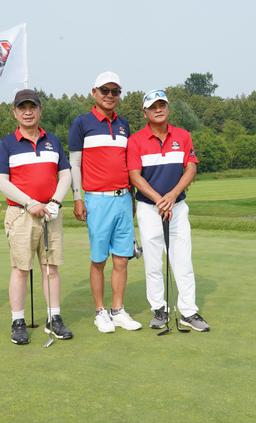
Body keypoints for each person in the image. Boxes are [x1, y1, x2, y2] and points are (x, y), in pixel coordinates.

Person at [0, 89, 73, 345]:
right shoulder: (7, 143)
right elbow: (1, 181)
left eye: (32, 107)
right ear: (14, 112)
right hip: (21, 214)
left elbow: (65, 174)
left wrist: (56, 202)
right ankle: (18, 321)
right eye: (22, 108)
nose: (27, 112)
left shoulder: (53, 141)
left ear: (40, 110)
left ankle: (54, 317)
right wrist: (29, 203)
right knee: (20, 269)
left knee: (51, 268)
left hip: (51, 213)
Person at [127, 89, 210, 332]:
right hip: (149, 209)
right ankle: (159, 310)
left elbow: (191, 168)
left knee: (183, 260)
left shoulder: (183, 136)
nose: (158, 110)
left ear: (168, 108)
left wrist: (172, 196)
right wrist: (158, 199)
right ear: (145, 113)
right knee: (153, 263)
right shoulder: (136, 141)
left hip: (178, 207)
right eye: (153, 107)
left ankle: (188, 311)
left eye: (162, 105)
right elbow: (134, 176)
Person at [68, 72, 142, 333]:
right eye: (105, 91)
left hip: (123, 199)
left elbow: (127, 163)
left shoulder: (124, 125)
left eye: (115, 91)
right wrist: (77, 197)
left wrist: (132, 197)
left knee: (122, 259)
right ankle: (100, 311)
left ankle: (118, 310)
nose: (110, 96)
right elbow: (75, 163)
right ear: (94, 92)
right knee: (99, 260)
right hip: (97, 200)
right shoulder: (82, 123)